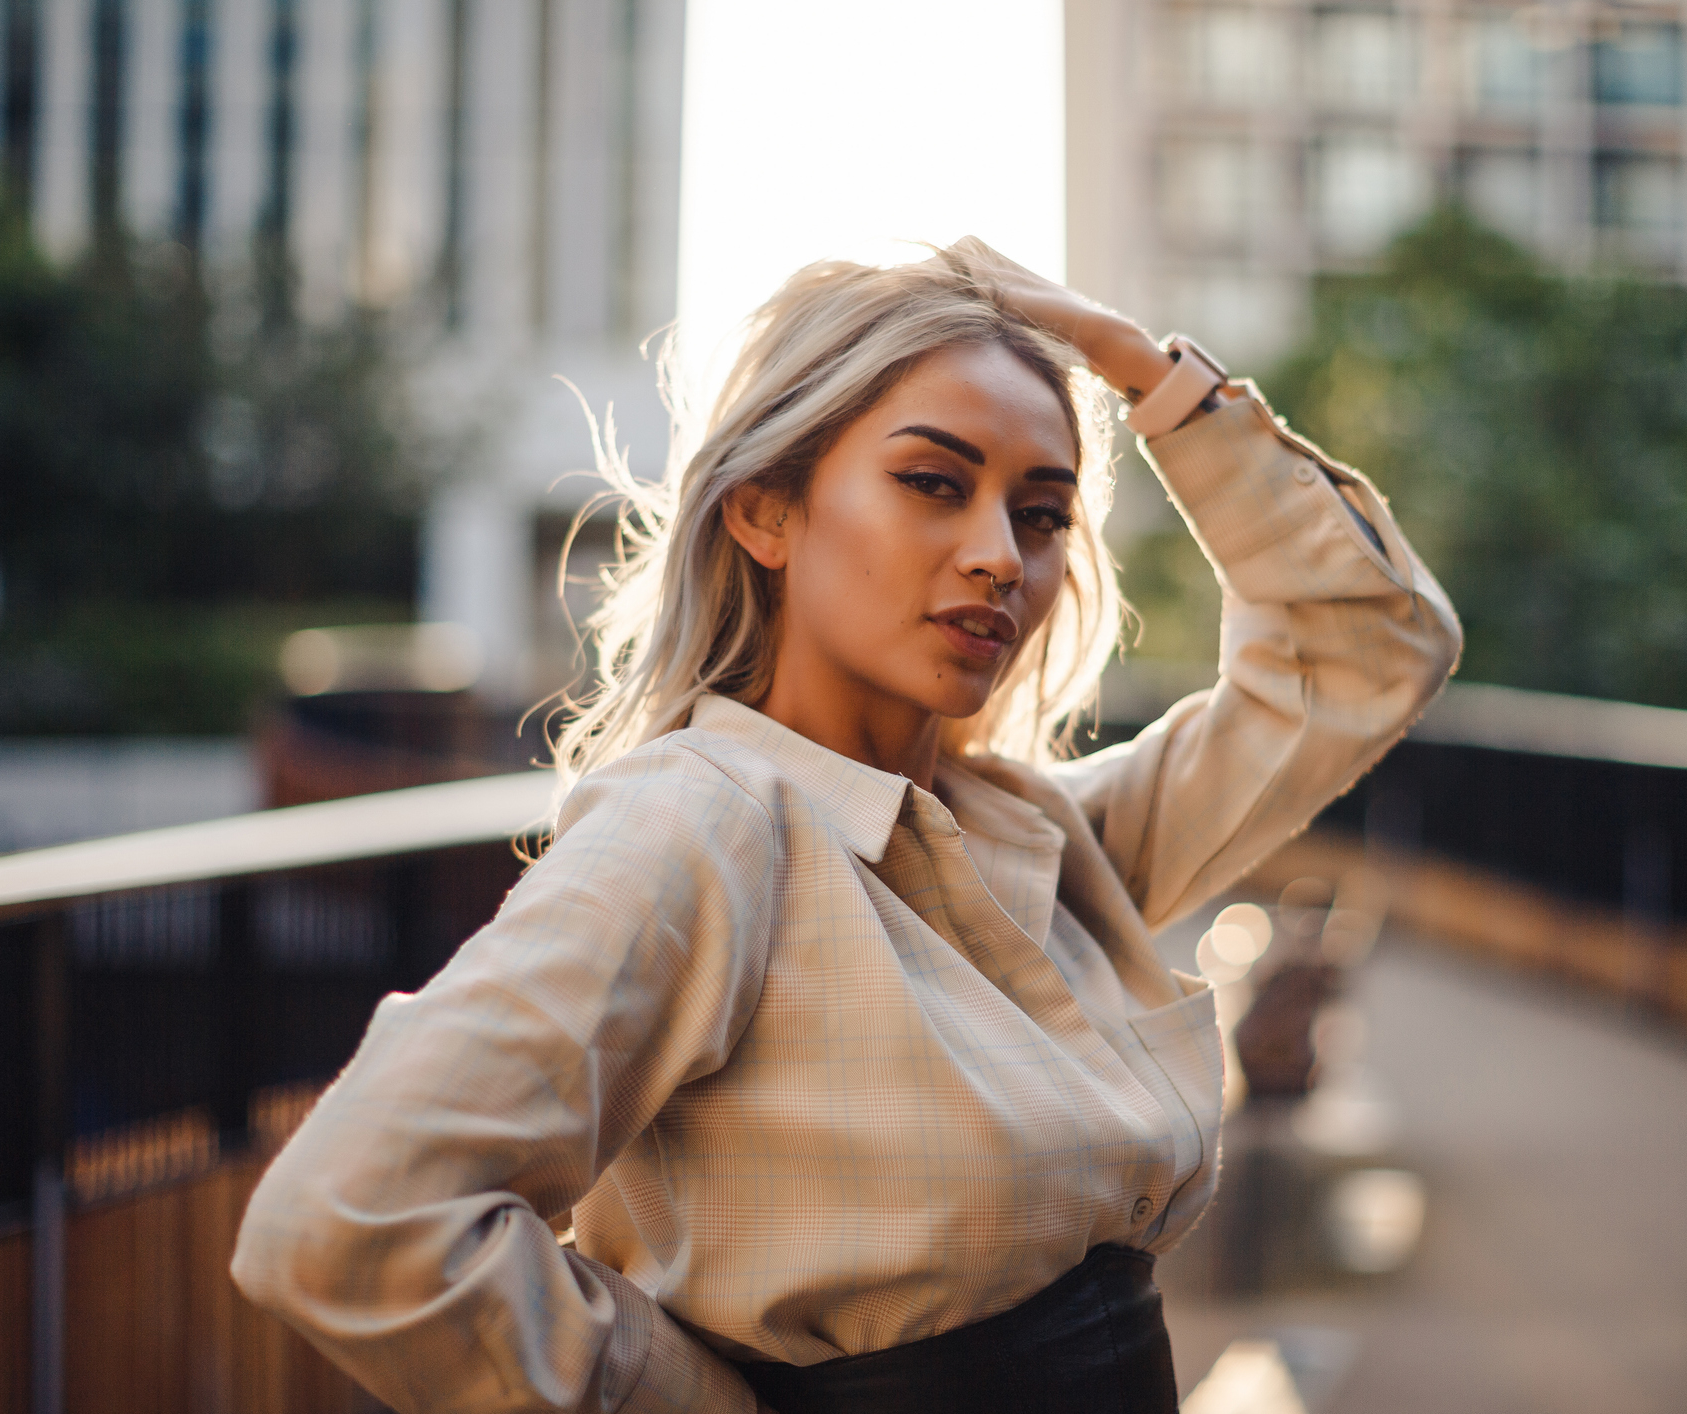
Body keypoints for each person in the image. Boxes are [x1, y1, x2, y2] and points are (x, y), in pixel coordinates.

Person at [231, 239, 1460, 1413]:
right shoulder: (700, 827)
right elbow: (353, 1217)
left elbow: (1367, 649)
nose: (999, 558)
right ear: (766, 514)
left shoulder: (1044, 839)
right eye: (934, 483)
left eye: (1041, 514)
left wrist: (1137, 366)